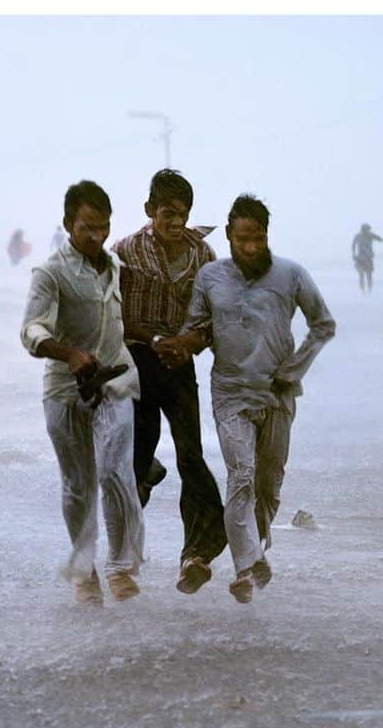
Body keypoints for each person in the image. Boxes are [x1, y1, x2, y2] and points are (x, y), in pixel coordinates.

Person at [164, 195, 335, 603]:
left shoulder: (291, 275)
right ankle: (247, 565)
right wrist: (178, 345)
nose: (252, 248)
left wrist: (292, 371)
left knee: (268, 485)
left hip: (277, 395)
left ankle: (253, 556)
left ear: (266, 236)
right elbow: (196, 329)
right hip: (231, 394)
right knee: (240, 476)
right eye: (243, 240)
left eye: (258, 239)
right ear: (228, 236)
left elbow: (323, 325)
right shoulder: (210, 277)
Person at [19, 181, 144, 605]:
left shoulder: (116, 266)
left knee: (115, 470)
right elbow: (31, 329)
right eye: (87, 228)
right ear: (69, 223)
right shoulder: (51, 273)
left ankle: (121, 565)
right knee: (78, 485)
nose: (96, 236)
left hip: (116, 381)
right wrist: (69, 353)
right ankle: (85, 572)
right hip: (65, 389)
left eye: (103, 227)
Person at [112, 169, 229, 595]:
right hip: (138, 360)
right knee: (136, 458)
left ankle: (196, 555)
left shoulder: (204, 256)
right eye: (167, 214)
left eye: (182, 214)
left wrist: (189, 342)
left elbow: (214, 319)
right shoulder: (125, 251)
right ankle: (122, 561)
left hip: (180, 362)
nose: (175, 223)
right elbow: (110, 312)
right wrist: (151, 337)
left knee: (191, 457)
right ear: (150, 211)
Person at [351, 223, 383, 292]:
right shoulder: (358, 236)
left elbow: (380, 239)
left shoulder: (370, 235)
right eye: (365, 230)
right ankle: (363, 291)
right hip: (360, 258)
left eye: (367, 230)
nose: (365, 231)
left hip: (368, 258)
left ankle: (369, 290)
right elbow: (353, 245)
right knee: (361, 275)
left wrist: (373, 235)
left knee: (369, 275)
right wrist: (353, 254)